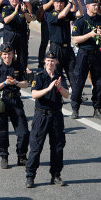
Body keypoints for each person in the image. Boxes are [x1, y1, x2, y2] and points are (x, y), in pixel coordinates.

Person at [25, 50, 69, 188]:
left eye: (53, 61)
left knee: (57, 147)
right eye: (48, 61)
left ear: (56, 62)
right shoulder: (39, 75)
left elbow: (67, 95)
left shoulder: (60, 77)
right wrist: (49, 88)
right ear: (45, 61)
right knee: (36, 147)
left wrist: (59, 87)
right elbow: (34, 94)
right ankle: (30, 176)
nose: (50, 63)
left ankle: (55, 175)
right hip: (41, 115)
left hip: (56, 115)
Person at [0, 43, 30, 169]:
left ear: (13, 54)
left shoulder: (18, 66)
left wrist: (16, 82)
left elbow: (26, 84)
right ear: (1, 55)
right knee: (2, 131)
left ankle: (21, 156)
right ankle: (4, 156)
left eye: (9, 54)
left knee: (23, 131)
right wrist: (5, 83)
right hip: (2, 100)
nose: (7, 57)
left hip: (15, 100)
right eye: (5, 54)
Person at [70, 0, 101, 120]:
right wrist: (89, 35)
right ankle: (75, 108)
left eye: (97, 5)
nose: (96, 7)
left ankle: (97, 109)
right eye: (93, 5)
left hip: (97, 54)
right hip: (83, 54)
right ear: (87, 7)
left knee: (98, 82)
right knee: (79, 81)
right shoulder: (80, 21)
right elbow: (75, 39)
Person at [47, 0, 81, 88]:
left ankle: (76, 96)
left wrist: (78, 2)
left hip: (67, 48)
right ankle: (58, 95)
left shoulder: (67, 13)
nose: (59, 4)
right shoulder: (51, 14)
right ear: (54, 4)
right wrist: (69, 3)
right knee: (57, 73)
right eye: (57, 3)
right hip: (56, 48)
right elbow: (61, 15)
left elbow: (79, 14)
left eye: (61, 3)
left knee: (73, 71)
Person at [38, 0, 67, 69]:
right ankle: (41, 63)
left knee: (56, 43)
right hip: (47, 21)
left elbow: (65, 9)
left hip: (58, 22)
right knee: (44, 42)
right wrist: (52, 1)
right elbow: (44, 8)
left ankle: (55, 64)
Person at [1, 0, 33, 72]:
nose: (15, 0)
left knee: (22, 56)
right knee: (8, 54)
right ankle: (8, 73)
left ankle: (22, 74)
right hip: (10, 34)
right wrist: (15, 12)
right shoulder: (6, 9)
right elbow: (5, 20)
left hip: (21, 35)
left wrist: (24, 12)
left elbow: (29, 20)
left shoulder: (22, 8)